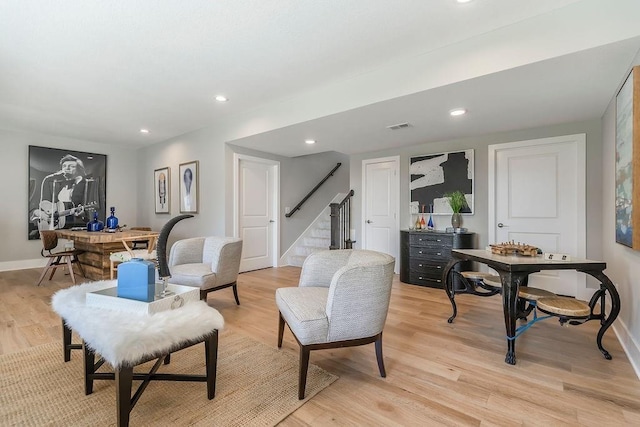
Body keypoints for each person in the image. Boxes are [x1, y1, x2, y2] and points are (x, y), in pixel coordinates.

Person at [31, 154, 91, 231]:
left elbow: (89, 213)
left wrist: (83, 215)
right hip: (55, 226)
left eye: (71, 166)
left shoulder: (86, 185)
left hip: (75, 227)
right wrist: (43, 214)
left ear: (79, 170)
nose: (67, 168)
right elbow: (41, 204)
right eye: (64, 166)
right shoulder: (56, 184)